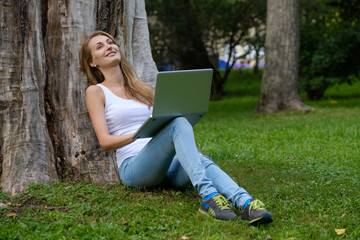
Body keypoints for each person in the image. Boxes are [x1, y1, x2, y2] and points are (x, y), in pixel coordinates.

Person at [79, 31, 273, 224]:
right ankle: (209, 198)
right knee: (178, 123)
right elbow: (104, 142)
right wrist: (143, 133)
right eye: (100, 46)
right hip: (134, 168)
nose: (109, 46)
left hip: (166, 166)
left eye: (110, 42)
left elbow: (166, 122)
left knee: (197, 153)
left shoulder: (142, 89)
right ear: (92, 62)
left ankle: (246, 203)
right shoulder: (96, 92)